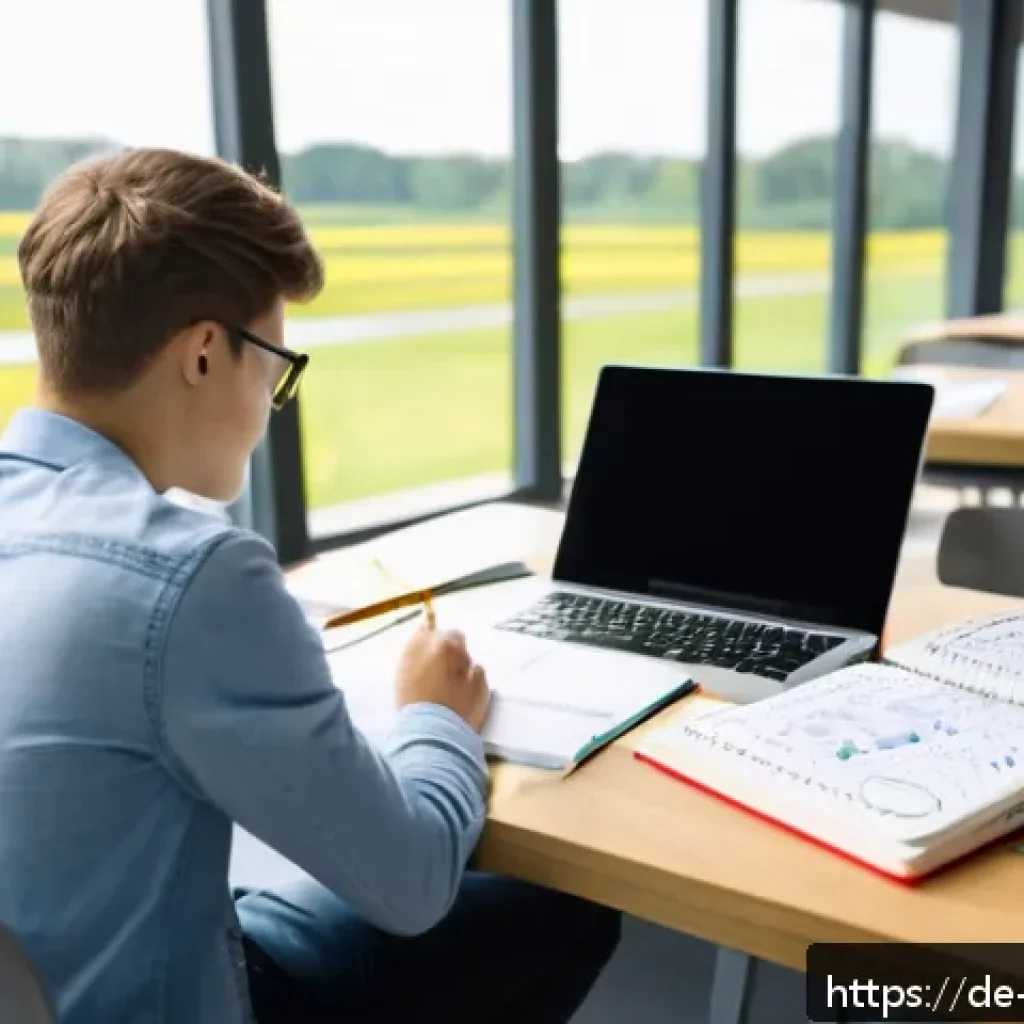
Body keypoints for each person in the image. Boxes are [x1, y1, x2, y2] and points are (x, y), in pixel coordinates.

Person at [0, 148, 620, 1023]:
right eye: (275, 364)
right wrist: (434, 715)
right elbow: (409, 884)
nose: (269, 399)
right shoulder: (191, 575)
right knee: (556, 911)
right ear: (206, 354)